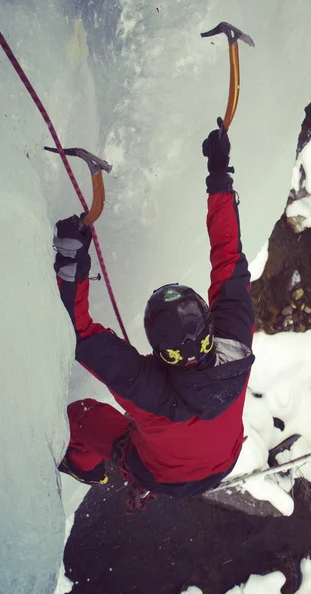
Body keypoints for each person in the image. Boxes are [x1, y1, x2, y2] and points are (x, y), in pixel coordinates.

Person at [53, 119, 255, 508]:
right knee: (142, 430)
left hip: (156, 471)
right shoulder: (236, 346)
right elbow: (229, 258)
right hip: (223, 458)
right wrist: (219, 177)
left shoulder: (147, 388)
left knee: (80, 417)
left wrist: (70, 262)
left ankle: (86, 467)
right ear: (209, 327)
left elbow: (78, 332)